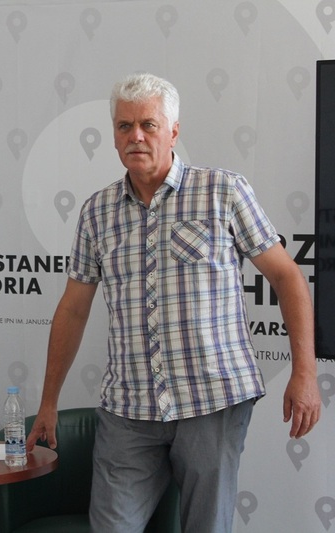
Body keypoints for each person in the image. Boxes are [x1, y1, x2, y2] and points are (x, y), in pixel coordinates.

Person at [26, 73, 321, 532]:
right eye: (124, 127)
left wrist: (305, 373)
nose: (136, 136)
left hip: (214, 401)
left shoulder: (223, 191)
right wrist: (48, 401)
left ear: (174, 131)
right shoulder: (96, 212)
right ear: (114, 136)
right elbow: (73, 308)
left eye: (148, 124)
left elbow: (286, 276)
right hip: (129, 410)